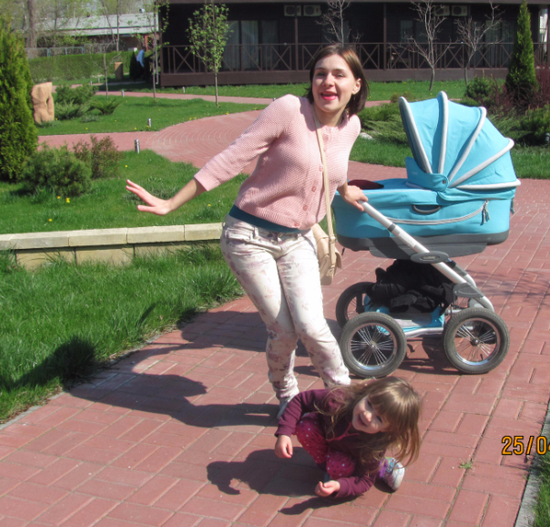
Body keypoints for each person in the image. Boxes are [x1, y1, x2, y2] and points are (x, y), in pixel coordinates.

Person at [126, 44, 370, 417]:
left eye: (339, 74)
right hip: (249, 237)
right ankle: (288, 397)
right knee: (284, 330)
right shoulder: (289, 110)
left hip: (298, 240)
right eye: (320, 73)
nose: (328, 82)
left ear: (356, 84)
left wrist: (345, 188)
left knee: (312, 327)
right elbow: (233, 156)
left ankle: (344, 402)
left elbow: (333, 164)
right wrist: (172, 203)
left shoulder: (351, 125)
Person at [274, 377, 421, 497]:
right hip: (330, 440)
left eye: (379, 419)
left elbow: (365, 481)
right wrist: (284, 433)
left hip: (350, 457)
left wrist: (340, 486)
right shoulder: (336, 400)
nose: (367, 415)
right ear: (365, 393)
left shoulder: (374, 445)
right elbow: (301, 400)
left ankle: (382, 467)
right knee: (305, 426)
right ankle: (325, 465)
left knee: (339, 467)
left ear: (388, 429)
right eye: (369, 404)